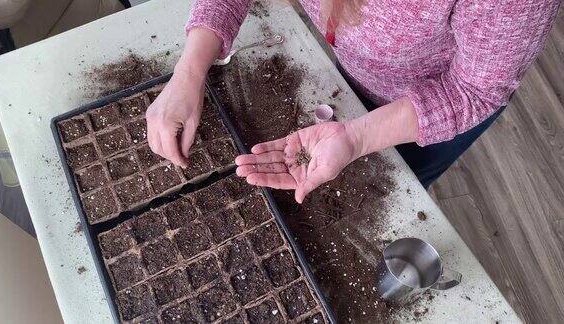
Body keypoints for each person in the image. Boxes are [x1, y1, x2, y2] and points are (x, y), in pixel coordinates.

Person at [146, 0, 560, 203]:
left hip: (434, 106)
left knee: (387, 187)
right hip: (358, 71)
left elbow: (475, 89)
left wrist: (359, 137)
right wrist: (188, 72)